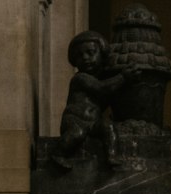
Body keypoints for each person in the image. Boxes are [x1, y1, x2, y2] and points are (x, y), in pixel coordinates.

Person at [54, 32, 139, 171]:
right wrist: (123, 77)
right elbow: (102, 88)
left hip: (92, 121)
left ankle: (112, 156)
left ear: (102, 54)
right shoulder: (80, 78)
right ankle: (58, 153)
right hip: (75, 119)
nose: (85, 58)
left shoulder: (99, 77)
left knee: (108, 127)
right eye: (79, 55)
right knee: (77, 133)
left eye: (90, 52)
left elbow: (106, 95)